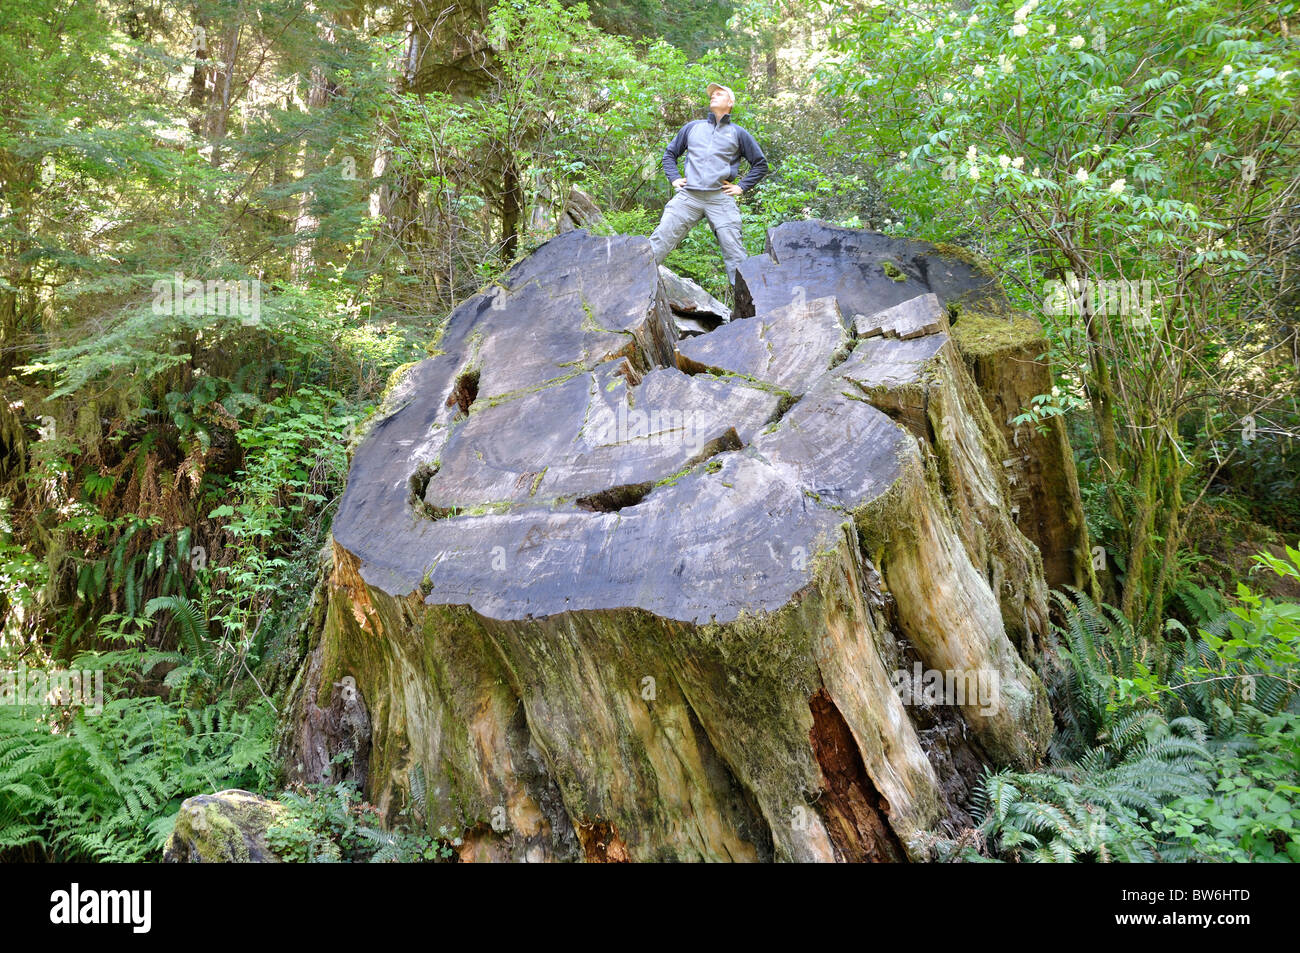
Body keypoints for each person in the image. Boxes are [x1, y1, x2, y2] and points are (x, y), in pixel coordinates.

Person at [648, 82, 769, 296]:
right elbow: (669, 154)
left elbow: (760, 164)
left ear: (730, 103)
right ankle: (633, 290)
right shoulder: (692, 127)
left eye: (719, 94)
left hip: (720, 199)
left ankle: (748, 314)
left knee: (735, 255)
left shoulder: (738, 133)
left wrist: (741, 186)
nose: (713, 96)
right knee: (660, 241)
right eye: (712, 94)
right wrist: (675, 178)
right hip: (688, 197)